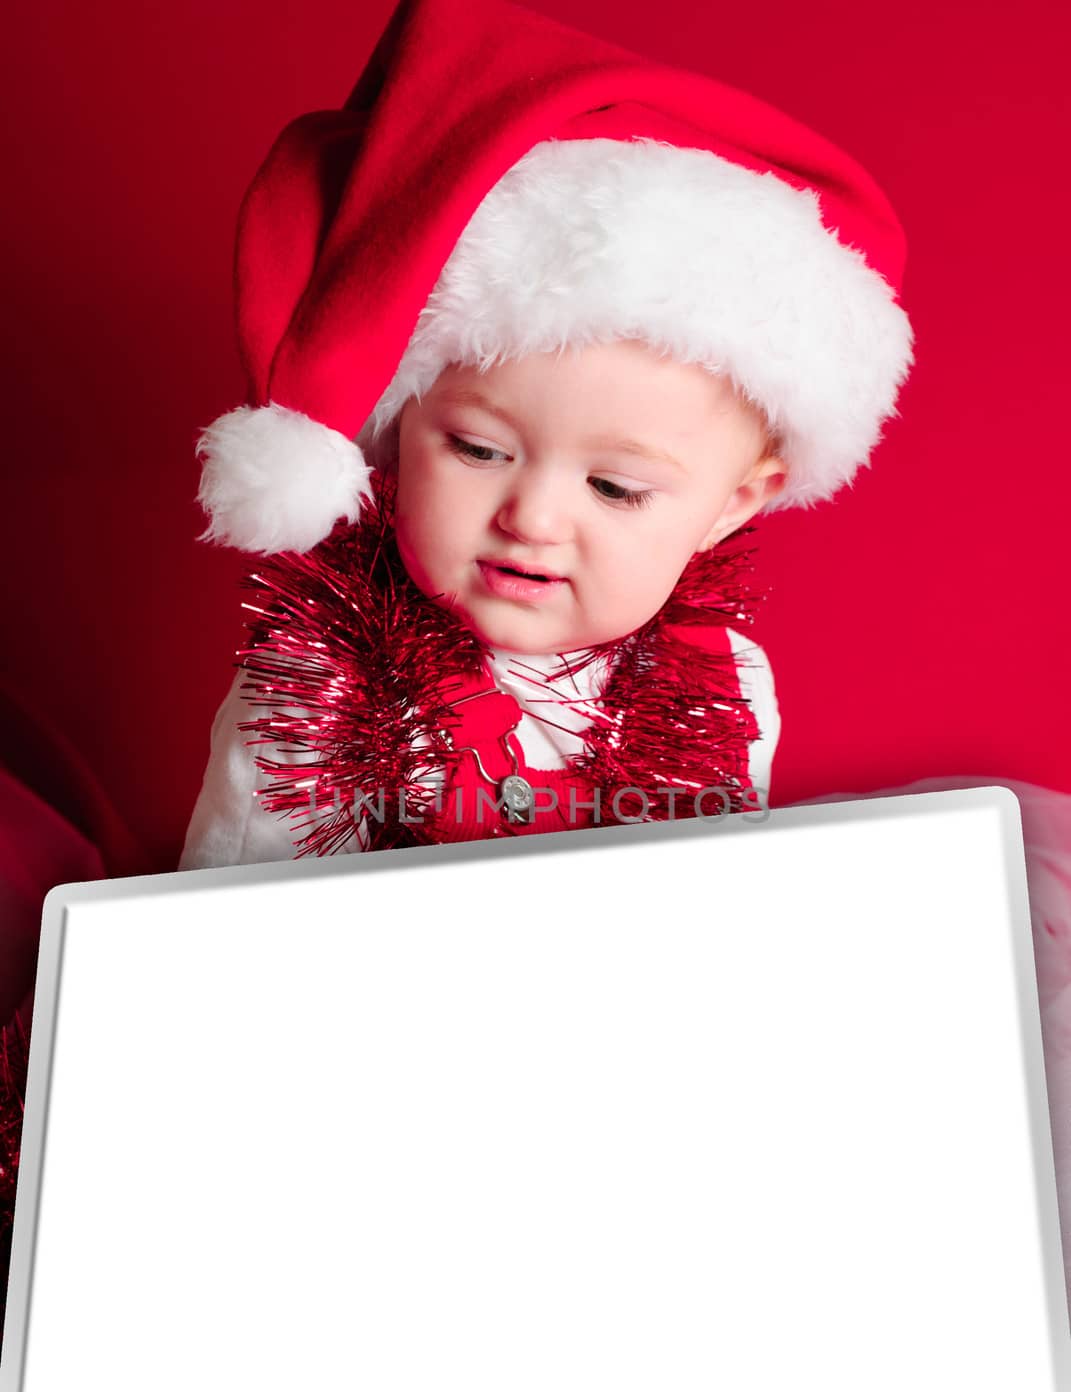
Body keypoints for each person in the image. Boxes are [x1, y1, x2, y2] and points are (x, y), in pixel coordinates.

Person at [180, 0, 914, 869]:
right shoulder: (317, 681)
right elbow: (221, 923)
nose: (531, 519)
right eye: (478, 450)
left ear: (733, 504)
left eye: (614, 488)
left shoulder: (724, 685)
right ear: (400, 421)